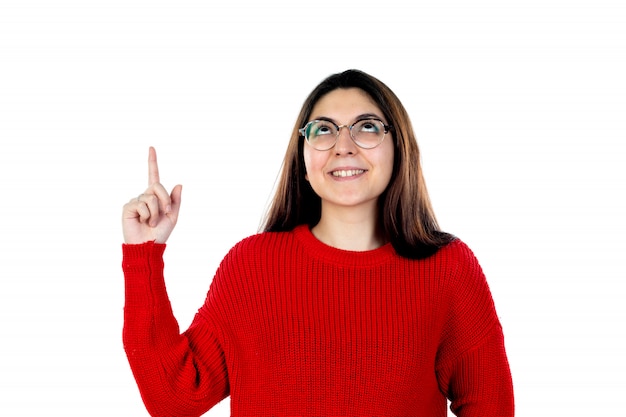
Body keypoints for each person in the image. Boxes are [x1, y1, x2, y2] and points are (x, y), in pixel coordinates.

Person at [121, 69, 514, 416]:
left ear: (399, 147)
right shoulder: (252, 267)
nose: (344, 146)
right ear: (303, 155)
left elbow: (490, 405)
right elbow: (173, 398)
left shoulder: (447, 269)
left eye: (367, 127)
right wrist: (143, 255)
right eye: (324, 129)